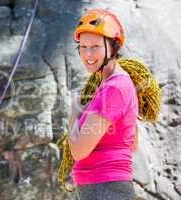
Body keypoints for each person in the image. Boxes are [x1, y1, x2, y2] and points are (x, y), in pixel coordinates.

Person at [68, 9, 138, 200]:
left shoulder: (114, 89)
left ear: (113, 47)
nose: (87, 54)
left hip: (105, 189)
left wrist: (74, 114)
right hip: (106, 188)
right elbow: (132, 143)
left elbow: (79, 151)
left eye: (95, 46)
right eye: (82, 47)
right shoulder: (115, 85)